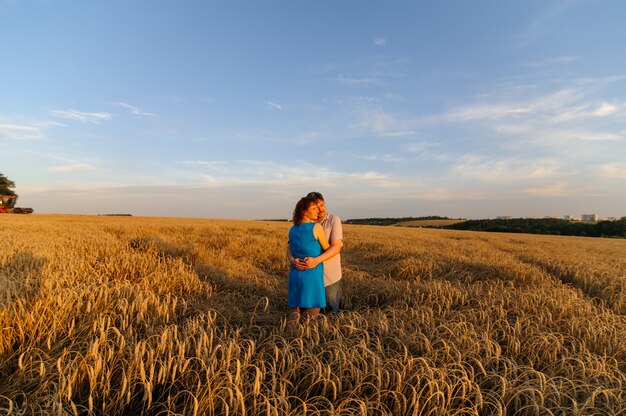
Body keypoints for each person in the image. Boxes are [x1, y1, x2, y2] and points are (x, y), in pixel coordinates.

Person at [287, 192, 344, 314]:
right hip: (310, 273)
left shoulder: (334, 220)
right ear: (307, 209)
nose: (320, 209)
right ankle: (309, 332)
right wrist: (292, 260)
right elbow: (290, 246)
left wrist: (317, 260)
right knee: (309, 310)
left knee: (330, 310)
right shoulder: (305, 225)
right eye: (315, 207)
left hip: (329, 275)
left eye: (322, 205)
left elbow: (336, 247)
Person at [287, 196, 330, 324]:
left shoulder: (293, 229)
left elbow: (289, 248)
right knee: (313, 308)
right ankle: (305, 339)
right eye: (314, 208)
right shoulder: (316, 227)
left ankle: (290, 336)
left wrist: (292, 260)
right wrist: (338, 246)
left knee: (294, 308)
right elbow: (327, 248)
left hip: (295, 273)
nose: (317, 211)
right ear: (304, 211)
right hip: (312, 274)